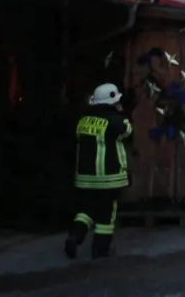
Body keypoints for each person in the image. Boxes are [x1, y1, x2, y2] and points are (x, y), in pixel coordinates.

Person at [65, 83, 133, 259]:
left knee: (86, 210)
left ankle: (75, 236)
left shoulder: (83, 121)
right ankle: (100, 249)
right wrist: (120, 111)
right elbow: (127, 132)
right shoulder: (116, 120)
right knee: (106, 215)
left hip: (85, 178)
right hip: (108, 178)